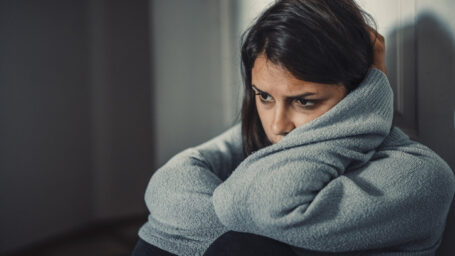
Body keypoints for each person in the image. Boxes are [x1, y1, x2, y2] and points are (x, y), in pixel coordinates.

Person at [132, 0, 455, 255]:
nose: (277, 124)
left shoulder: (422, 176)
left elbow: (264, 206)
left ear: (361, 93)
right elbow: (169, 185)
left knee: (244, 247)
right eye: (265, 96)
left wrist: (373, 93)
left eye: (305, 101)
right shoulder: (264, 134)